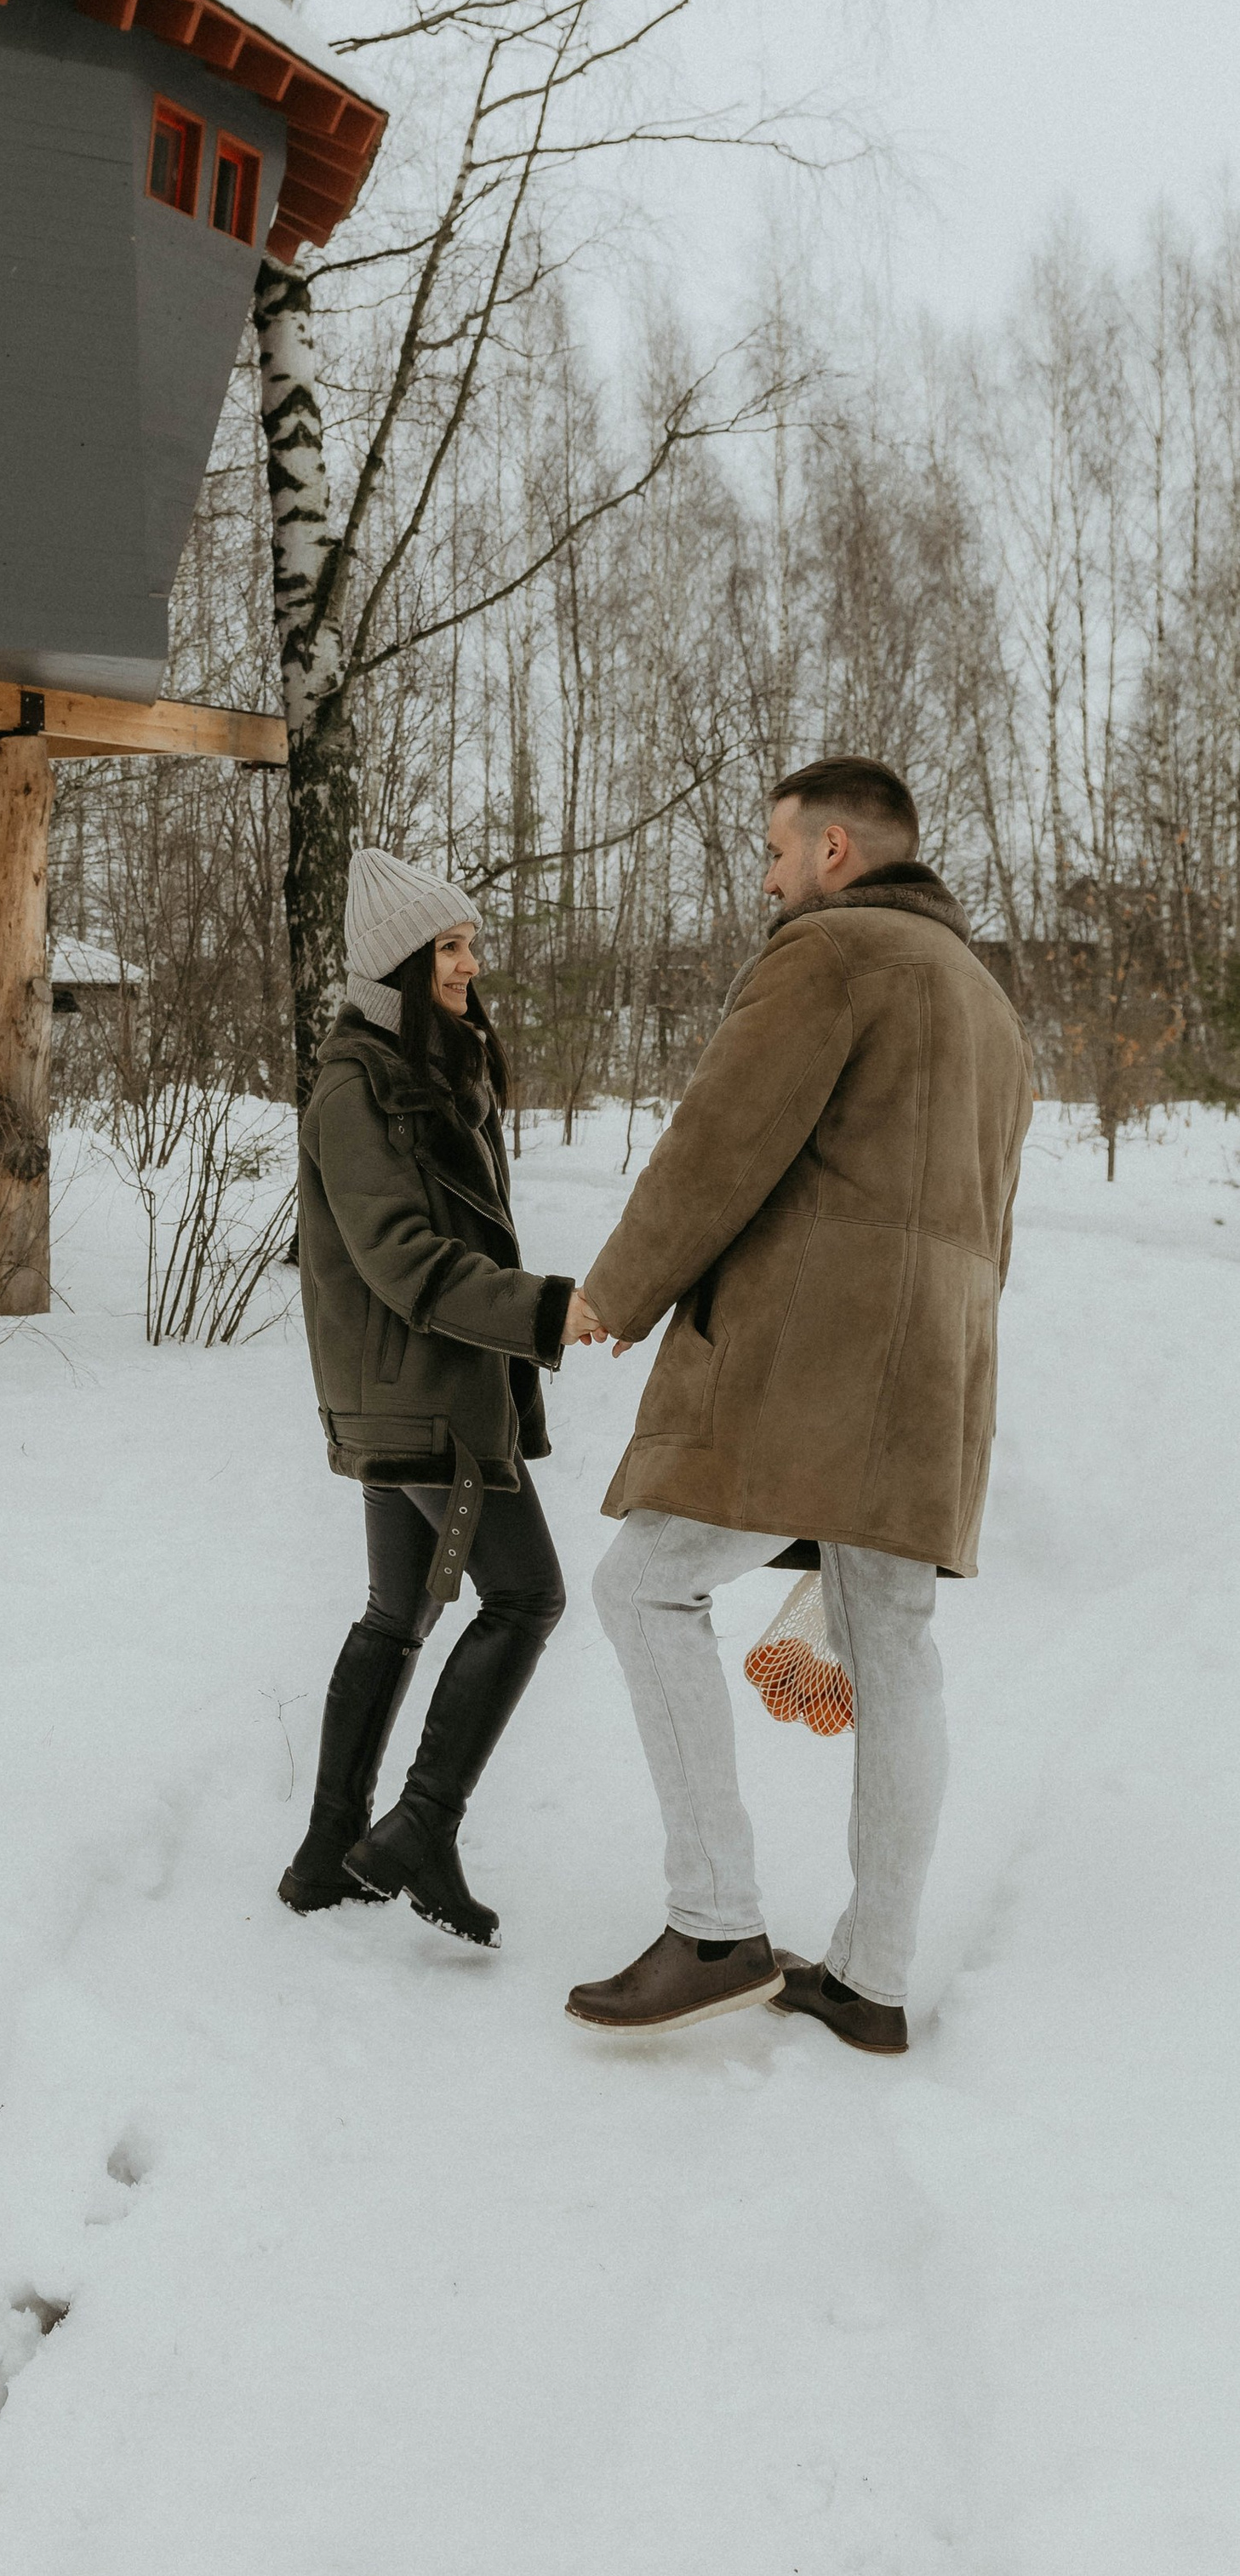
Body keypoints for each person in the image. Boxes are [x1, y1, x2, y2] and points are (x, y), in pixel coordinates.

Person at [560, 758, 1034, 2051]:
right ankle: (872, 1978)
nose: (765, 876)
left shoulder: (831, 956)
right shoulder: (988, 1005)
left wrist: (618, 1290)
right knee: (894, 1650)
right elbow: (991, 1225)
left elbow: (721, 1136)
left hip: (812, 1362)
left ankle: (714, 1923)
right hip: (936, 1369)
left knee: (641, 1585)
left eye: (776, 851)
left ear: (834, 848)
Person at [282, 845, 577, 1949]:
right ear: (403, 964)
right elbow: (403, 1257)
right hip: (416, 1391)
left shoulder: (424, 1066)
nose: (470, 965)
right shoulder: (358, 1085)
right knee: (528, 1596)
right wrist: (541, 1313)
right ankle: (419, 1826)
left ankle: (327, 1854)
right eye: (450, 948)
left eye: (469, 945)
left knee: (395, 1614)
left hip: (409, 1389)